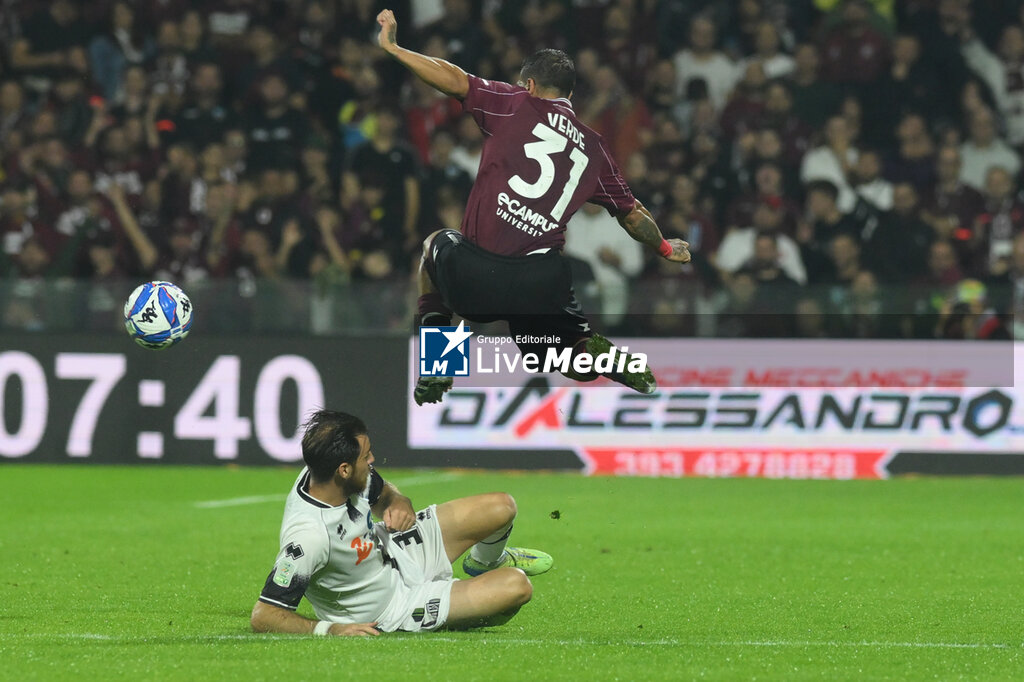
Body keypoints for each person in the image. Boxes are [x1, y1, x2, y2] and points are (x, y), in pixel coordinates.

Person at [373, 10, 690, 406]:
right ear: (571, 96)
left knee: (433, 245)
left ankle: (439, 367)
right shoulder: (596, 149)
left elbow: (454, 78)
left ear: (530, 84)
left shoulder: (514, 102)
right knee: (557, 356)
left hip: (477, 273)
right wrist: (664, 248)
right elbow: (633, 215)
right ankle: (603, 355)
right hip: (542, 281)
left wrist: (394, 47)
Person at [251, 409, 553, 636]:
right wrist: (329, 629)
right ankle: (455, 606)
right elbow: (264, 615)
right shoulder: (309, 537)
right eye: (366, 457)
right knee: (516, 586)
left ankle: (485, 562)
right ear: (343, 469)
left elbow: (385, 493)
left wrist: (398, 501)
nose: (372, 461)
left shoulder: (330, 473)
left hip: (397, 548)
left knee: (501, 506)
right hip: (394, 607)